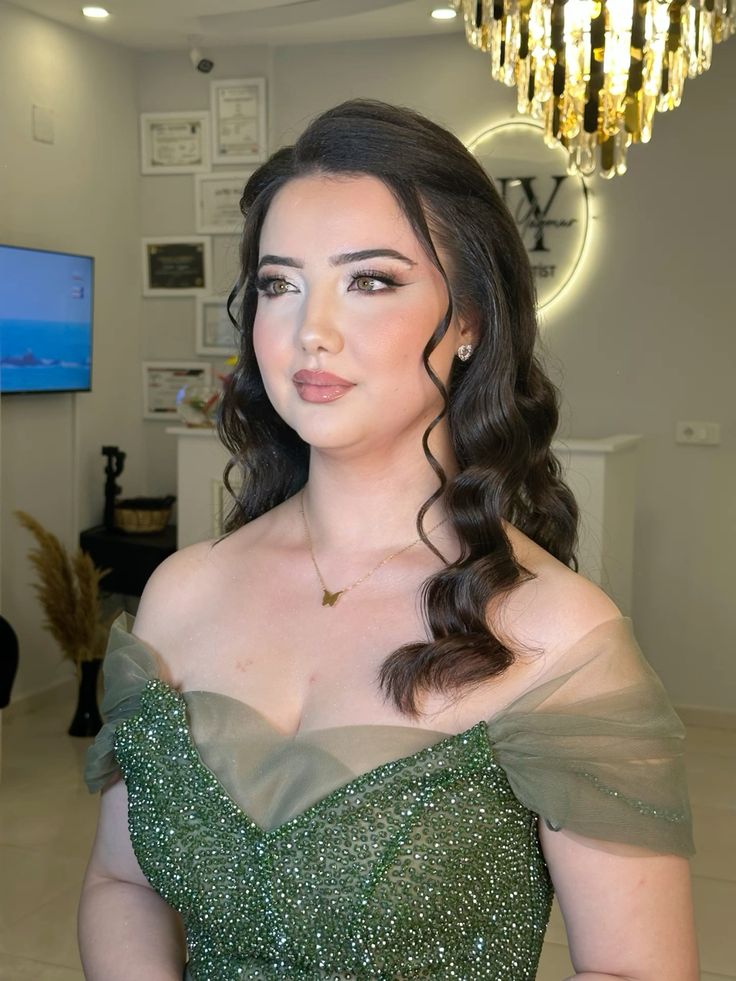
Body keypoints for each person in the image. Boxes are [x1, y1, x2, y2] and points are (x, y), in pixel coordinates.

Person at [78, 99, 698, 981]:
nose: (311, 331)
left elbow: (634, 969)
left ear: (471, 319)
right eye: (279, 284)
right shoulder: (182, 592)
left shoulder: (558, 634)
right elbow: (121, 883)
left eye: (370, 280)